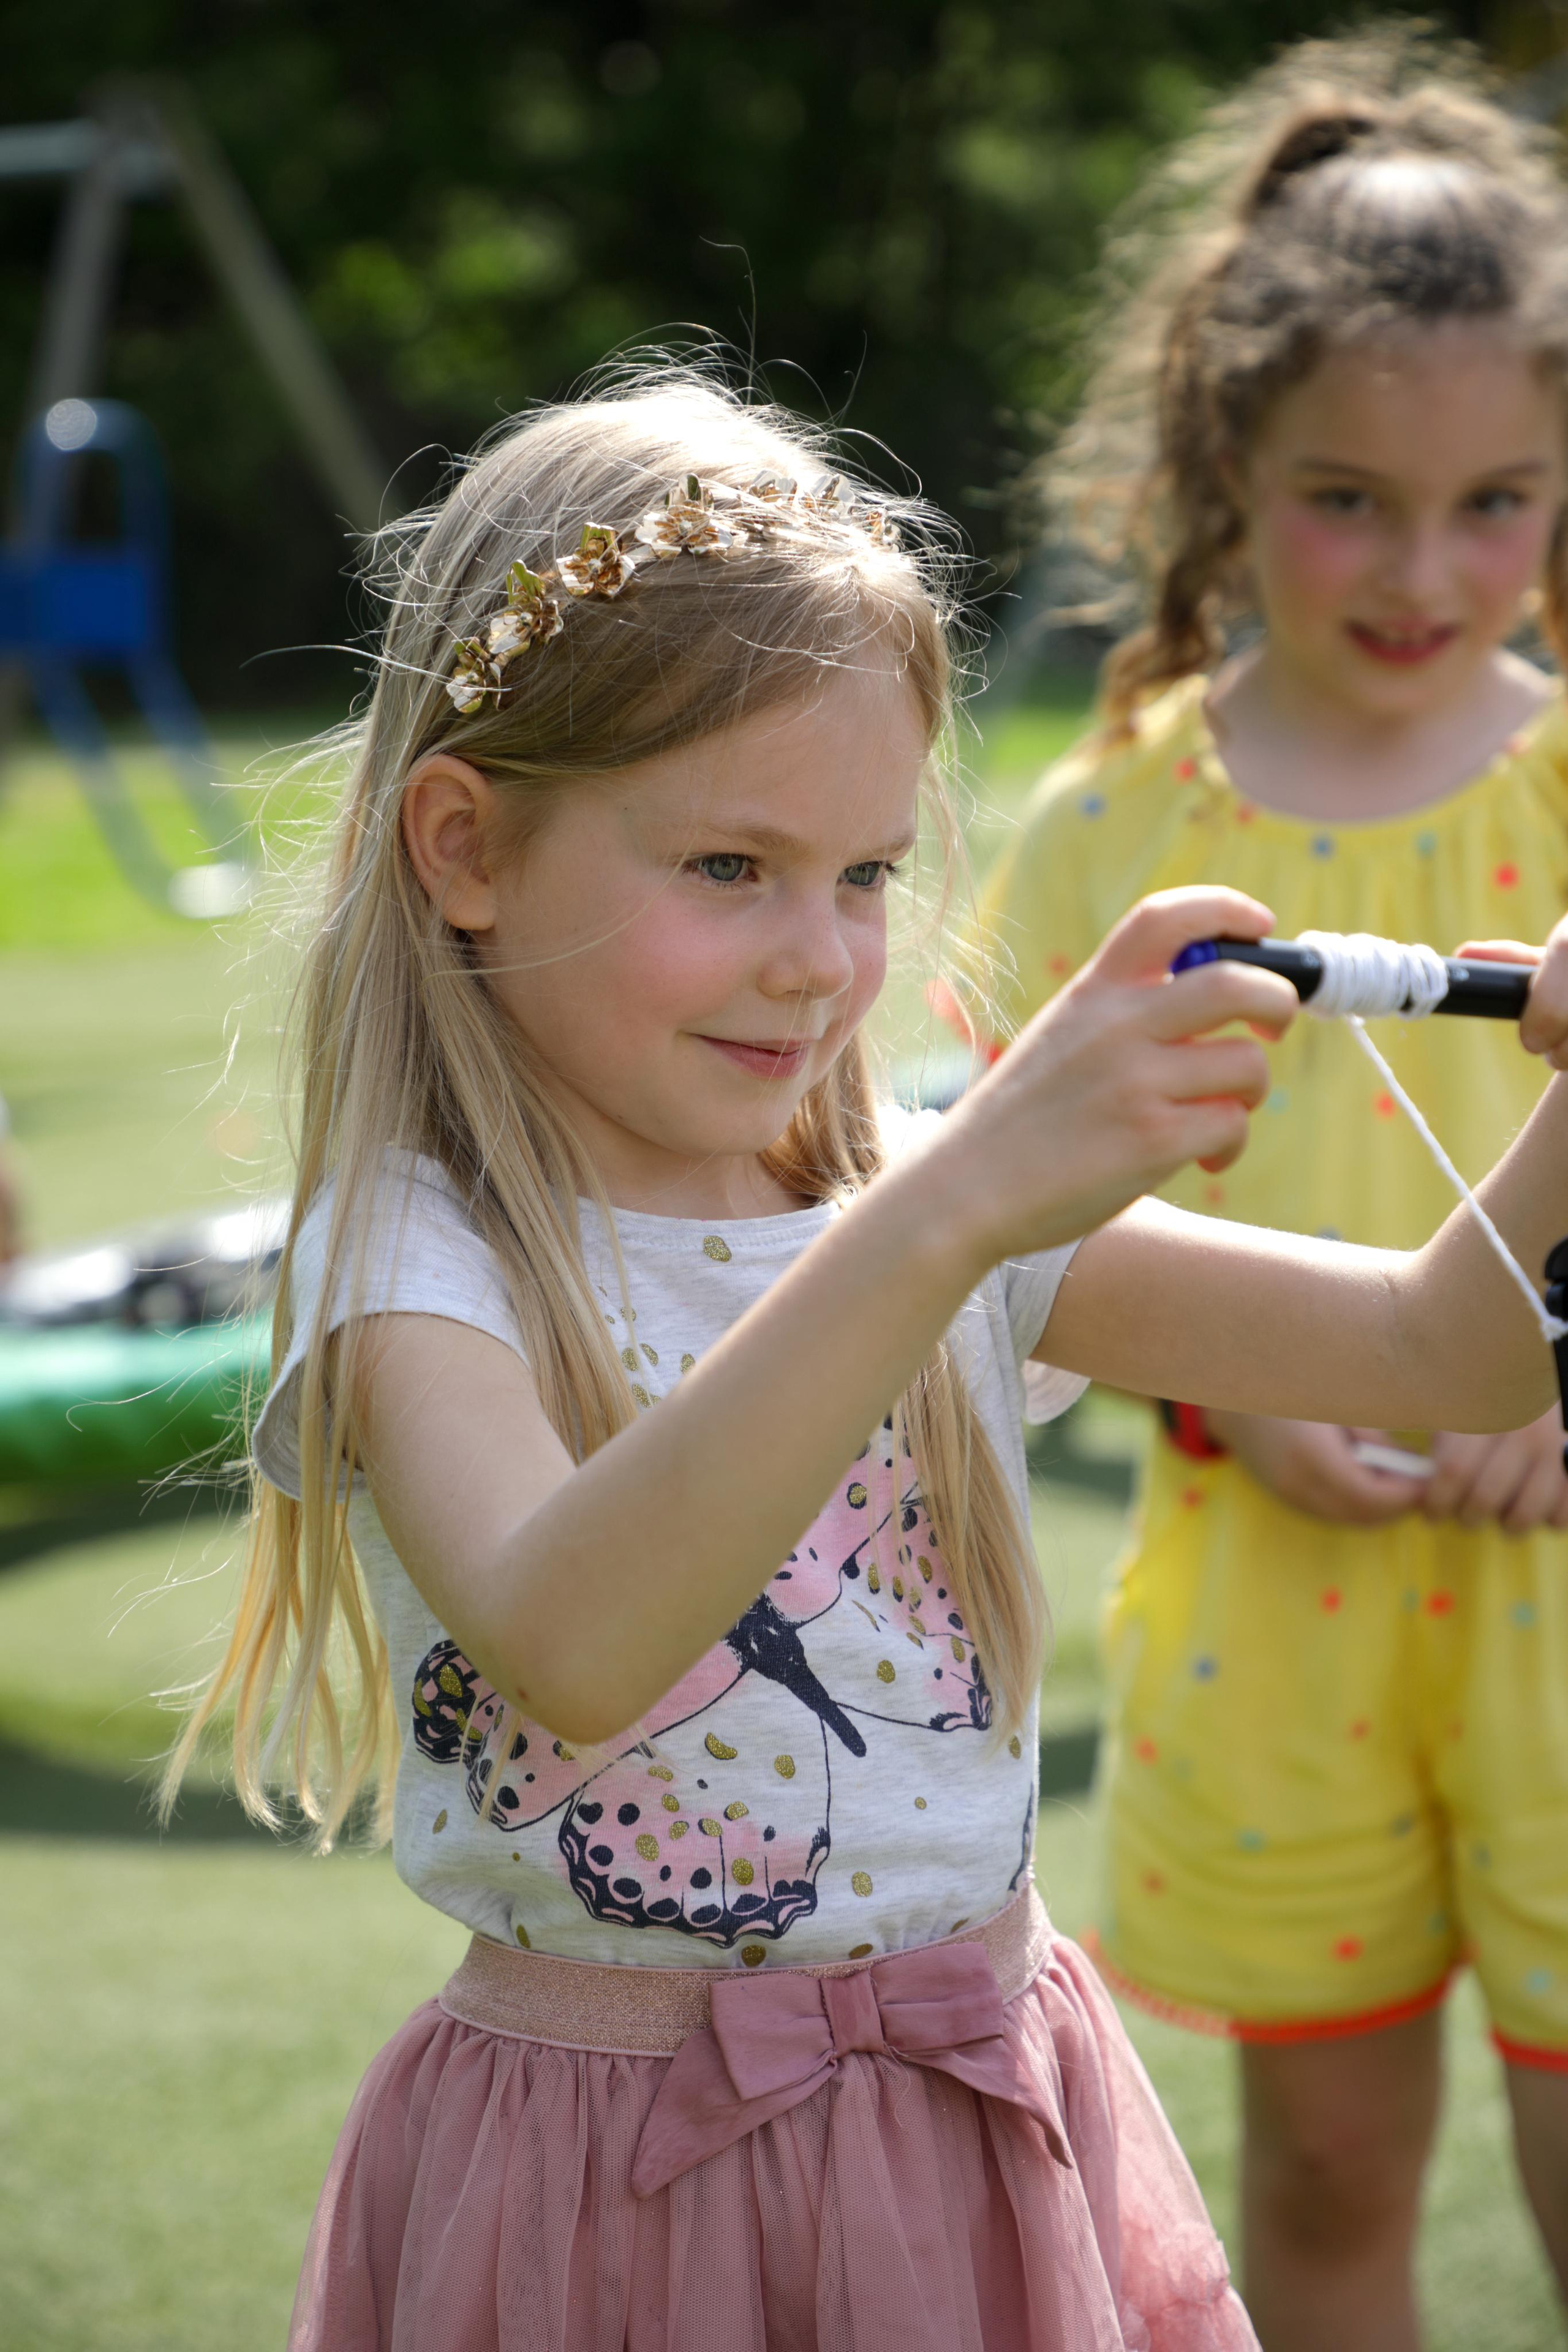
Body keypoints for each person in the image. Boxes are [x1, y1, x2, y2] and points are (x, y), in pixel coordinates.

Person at [164, 369, 1568, 2352]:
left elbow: (1450, 1350)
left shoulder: (940, 1200)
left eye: (869, 874)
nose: (824, 958)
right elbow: (578, 1639)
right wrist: (954, 1202)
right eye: (729, 868)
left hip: (988, 2116)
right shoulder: (419, 1253)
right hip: (608, 2175)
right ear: (466, 847)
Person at [956, 32, 1568, 2351]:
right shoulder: (1107, 829)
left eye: (1498, 500)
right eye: (1349, 498)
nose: (1425, 569)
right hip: (1263, 1620)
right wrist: (1233, 1394)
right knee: (1319, 2184)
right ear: (1228, 460)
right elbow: (998, 1221)